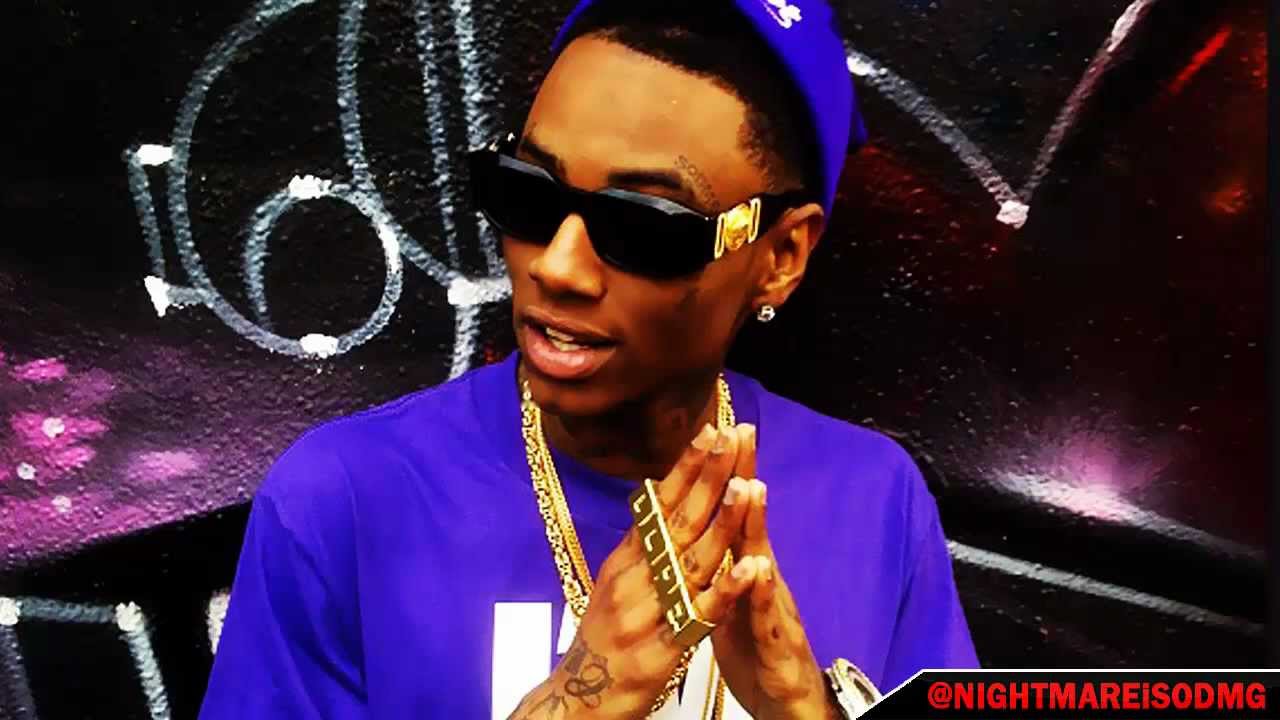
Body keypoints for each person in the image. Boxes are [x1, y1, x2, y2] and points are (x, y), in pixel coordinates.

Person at [198, 0, 979, 717]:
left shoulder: (873, 502)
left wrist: (809, 711)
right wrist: (577, 702)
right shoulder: (346, 501)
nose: (559, 266)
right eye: (527, 195)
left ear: (780, 256)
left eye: (644, 224)